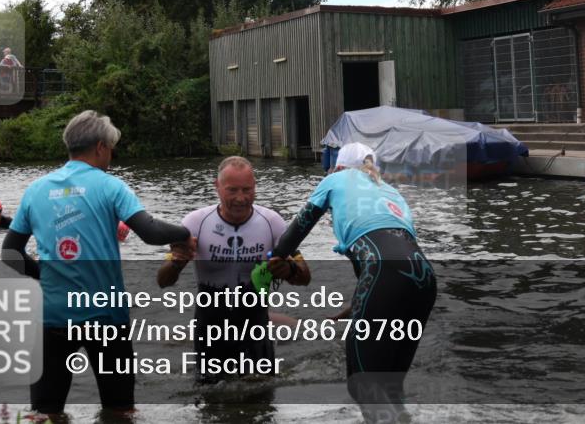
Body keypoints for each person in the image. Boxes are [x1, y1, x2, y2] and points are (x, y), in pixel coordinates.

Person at [1, 110, 193, 417]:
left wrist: (46, 276)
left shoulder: (36, 190)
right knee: (119, 411)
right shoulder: (110, 186)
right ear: (101, 147)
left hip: (51, 318)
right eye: (111, 149)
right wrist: (184, 233)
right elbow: (150, 231)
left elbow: (10, 253)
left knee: (45, 415)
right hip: (106, 317)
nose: (111, 156)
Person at [270, 143, 436, 417]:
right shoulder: (391, 193)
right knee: (391, 387)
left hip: (383, 273)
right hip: (424, 279)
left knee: (363, 385)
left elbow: (295, 232)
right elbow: (394, 263)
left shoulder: (335, 179)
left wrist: (274, 260)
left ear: (337, 167)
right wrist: (352, 309)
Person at [157, 156, 311, 382]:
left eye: (247, 190)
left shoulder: (272, 222)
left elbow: (305, 277)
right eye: (232, 190)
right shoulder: (195, 222)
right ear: (217, 187)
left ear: (255, 187)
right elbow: (163, 281)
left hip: (255, 323)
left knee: (262, 399)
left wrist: (289, 270)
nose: (241, 198)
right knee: (210, 402)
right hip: (211, 325)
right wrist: (177, 262)